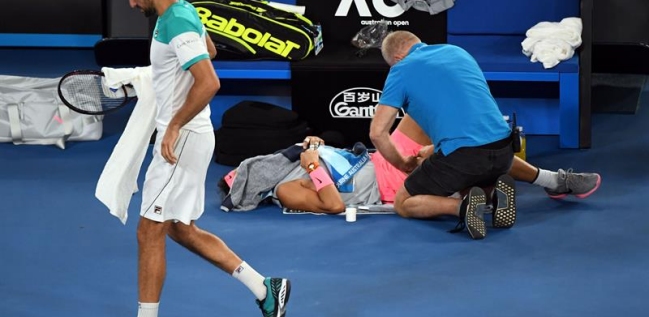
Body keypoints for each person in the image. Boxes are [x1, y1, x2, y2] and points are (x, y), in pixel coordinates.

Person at [116, 0, 290, 317]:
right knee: (180, 228)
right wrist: (159, 81)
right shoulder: (183, 10)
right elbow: (207, 50)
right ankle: (264, 288)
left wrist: (175, 122)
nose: (131, 4)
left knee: (148, 231)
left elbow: (209, 81)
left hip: (182, 139)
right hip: (186, 135)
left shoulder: (176, 20)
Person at [369, 30, 600, 240]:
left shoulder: (401, 70)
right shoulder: (455, 51)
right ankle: (532, 187)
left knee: (403, 203)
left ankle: (463, 207)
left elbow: (377, 134)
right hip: (504, 149)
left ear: (397, 60)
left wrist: (403, 164)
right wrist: (434, 149)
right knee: (476, 166)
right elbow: (471, 122)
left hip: (464, 158)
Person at [219, 112, 600, 216]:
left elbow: (347, 156)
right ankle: (547, 179)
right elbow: (333, 204)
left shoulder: (302, 157)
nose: (272, 164)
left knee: (420, 109)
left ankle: (479, 142)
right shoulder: (284, 191)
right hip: (389, 183)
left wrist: (317, 147)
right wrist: (315, 165)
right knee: (474, 151)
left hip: (383, 160)